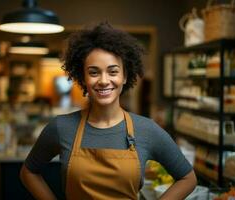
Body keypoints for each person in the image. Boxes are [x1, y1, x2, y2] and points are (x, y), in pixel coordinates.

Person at [20, 22, 197, 200]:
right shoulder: (61, 127)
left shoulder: (147, 130)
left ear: (125, 76)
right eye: (94, 72)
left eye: (113, 71)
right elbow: (28, 172)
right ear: (83, 78)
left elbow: (188, 178)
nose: (104, 81)